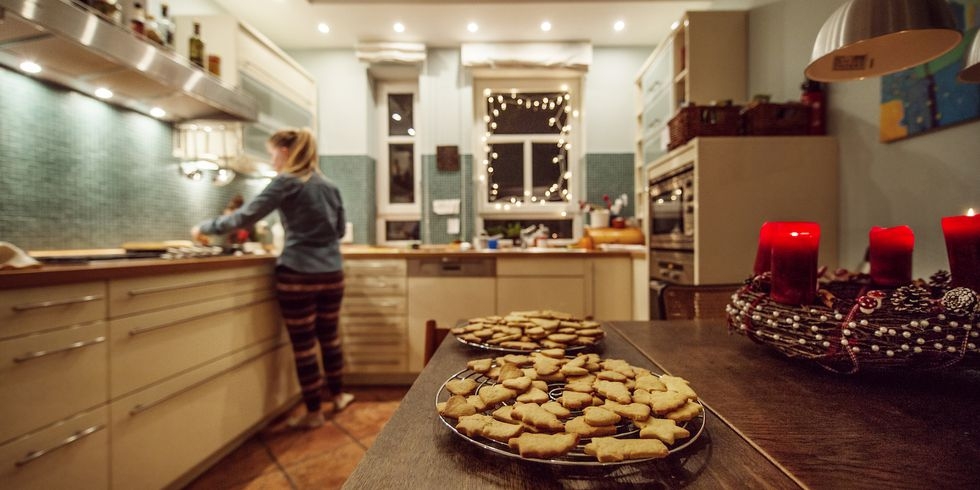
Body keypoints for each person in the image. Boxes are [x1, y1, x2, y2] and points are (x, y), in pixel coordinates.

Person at [192, 128, 353, 429]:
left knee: (304, 345)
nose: (272, 158)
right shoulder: (329, 186)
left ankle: (314, 413)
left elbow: (245, 216)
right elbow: (340, 230)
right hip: (332, 273)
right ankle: (339, 395)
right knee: (329, 338)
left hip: (298, 274)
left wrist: (206, 226)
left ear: (286, 151)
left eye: (272, 152)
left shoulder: (285, 183)